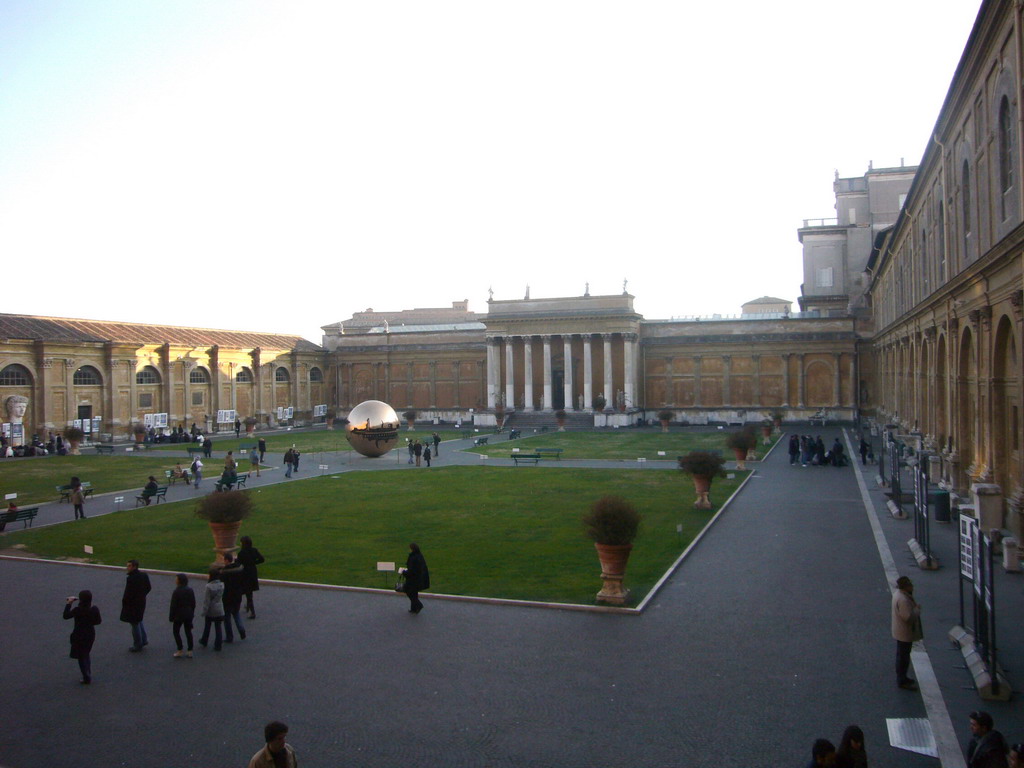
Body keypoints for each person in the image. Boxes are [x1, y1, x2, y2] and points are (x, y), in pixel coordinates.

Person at [63, 589, 101, 684]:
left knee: (81, 655)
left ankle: (86, 675)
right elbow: (98, 621)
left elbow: (66, 616)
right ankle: (88, 671)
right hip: (90, 634)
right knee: (86, 653)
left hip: (79, 634)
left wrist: (69, 603)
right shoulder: (94, 609)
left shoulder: (77, 610)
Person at [892, 575, 922, 690]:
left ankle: (902, 677)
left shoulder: (898, 595)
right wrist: (917, 610)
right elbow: (908, 617)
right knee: (903, 656)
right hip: (904, 632)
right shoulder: (903, 600)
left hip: (900, 631)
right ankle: (902, 679)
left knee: (902, 655)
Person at [121, 559, 152, 652]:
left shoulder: (131, 579)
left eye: (129, 566)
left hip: (132, 604)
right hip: (141, 602)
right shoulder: (144, 575)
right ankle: (144, 639)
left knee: (134, 623)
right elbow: (148, 587)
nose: (127, 568)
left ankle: (138, 644)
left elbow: (127, 594)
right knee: (139, 620)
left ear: (134, 567)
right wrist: (142, 596)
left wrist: (125, 603)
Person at [220, 553, 247, 642]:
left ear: (227, 560)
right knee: (236, 613)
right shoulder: (239, 569)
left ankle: (229, 636)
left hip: (227, 596)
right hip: (237, 594)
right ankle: (241, 630)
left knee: (227, 617)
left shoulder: (224, 572)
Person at [237, 535, 265, 619]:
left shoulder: (241, 553)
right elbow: (261, 559)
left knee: (244, 592)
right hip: (253, 573)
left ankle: (252, 612)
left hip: (244, 574)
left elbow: (239, 563)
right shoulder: (254, 550)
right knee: (249, 592)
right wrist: (253, 563)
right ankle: (249, 607)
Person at [169, 573, 196, 658]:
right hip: (188, 614)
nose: (175, 580)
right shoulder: (190, 590)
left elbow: (173, 605)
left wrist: (171, 617)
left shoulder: (176, 591)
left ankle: (180, 649)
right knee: (188, 632)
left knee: (176, 631)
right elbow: (193, 603)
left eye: (176, 579)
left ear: (179, 581)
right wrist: (192, 613)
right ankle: (190, 650)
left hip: (178, 615)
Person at [199, 569, 225, 651]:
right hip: (219, 609)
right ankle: (218, 644)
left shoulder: (208, 586)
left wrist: (204, 611)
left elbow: (206, 601)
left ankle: (204, 640)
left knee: (207, 625)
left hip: (211, 609)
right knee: (218, 627)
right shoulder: (222, 585)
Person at [402, 542, 429, 614]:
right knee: (414, 593)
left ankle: (418, 605)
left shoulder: (413, 557)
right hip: (418, 578)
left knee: (409, 592)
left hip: (413, 579)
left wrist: (404, 572)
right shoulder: (419, 555)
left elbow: (412, 570)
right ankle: (414, 608)